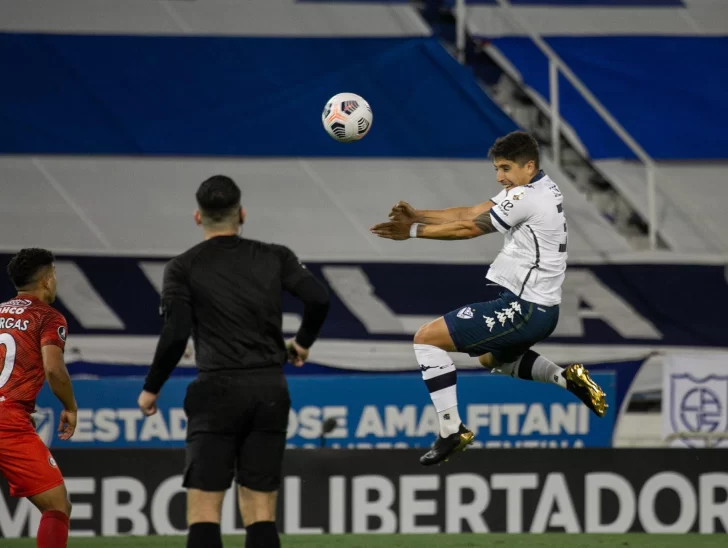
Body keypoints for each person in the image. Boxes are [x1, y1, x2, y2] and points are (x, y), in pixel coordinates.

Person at [370, 131, 607, 466]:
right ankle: (565, 378)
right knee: (490, 360)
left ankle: (451, 431)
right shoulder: (539, 187)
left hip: (524, 309)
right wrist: (419, 215)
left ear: (529, 166)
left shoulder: (526, 198)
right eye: (497, 168)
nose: (500, 176)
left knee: (427, 340)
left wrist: (410, 232)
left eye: (506, 168)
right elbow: (472, 211)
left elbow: (470, 227)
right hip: (542, 310)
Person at [137, 175, 330, 548]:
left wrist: (151, 389)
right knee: (260, 511)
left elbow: (176, 335)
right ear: (242, 214)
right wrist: (302, 344)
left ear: (198, 217)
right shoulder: (276, 256)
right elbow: (319, 299)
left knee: (205, 510)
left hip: (216, 392)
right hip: (269, 389)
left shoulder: (182, 267)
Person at [0, 248, 77, 547]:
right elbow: (54, 369)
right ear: (46, 281)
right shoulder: (47, 317)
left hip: (10, 413)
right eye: (54, 274)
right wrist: (70, 406)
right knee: (57, 506)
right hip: (8, 423)